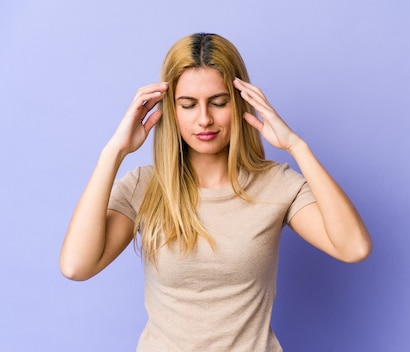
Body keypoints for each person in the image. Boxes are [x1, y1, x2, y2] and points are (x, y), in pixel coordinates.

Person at [59, 32, 372, 351]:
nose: (204, 119)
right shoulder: (145, 187)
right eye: (188, 105)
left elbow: (354, 248)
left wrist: (297, 146)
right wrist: (114, 151)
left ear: (239, 103)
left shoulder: (277, 185)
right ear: (171, 109)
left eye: (218, 102)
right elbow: (76, 266)